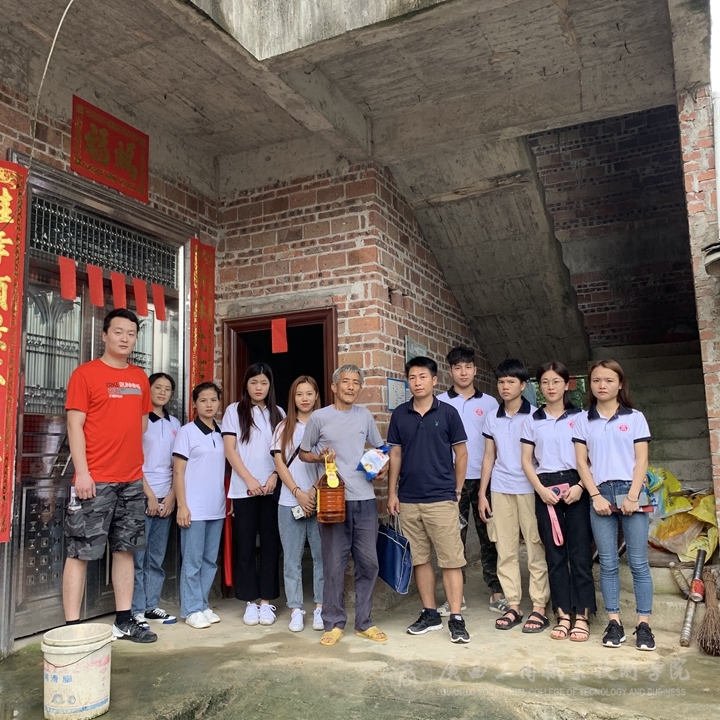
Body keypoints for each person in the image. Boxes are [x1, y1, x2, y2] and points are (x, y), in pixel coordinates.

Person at [63, 308, 156, 643]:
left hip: (130, 479)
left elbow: (141, 425)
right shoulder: (85, 374)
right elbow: (74, 425)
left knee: (125, 550)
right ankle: (72, 629)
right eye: (118, 332)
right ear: (104, 335)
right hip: (95, 479)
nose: (125, 339)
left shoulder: (139, 377)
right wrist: (82, 472)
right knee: (80, 551)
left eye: (131, 333)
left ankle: (124, 620)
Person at [299, 364, 387, 646]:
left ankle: (364, 623)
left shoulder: (364, 416)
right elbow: (303, 453)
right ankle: (334, 623)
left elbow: (380, 448)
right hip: (333, 501)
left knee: (369, 563)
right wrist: (321, 457)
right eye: (346, 382)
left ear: (360, 387)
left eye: (356, 382)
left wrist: (380, 467)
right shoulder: (319, 417)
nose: (351, 387)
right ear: (334, 387)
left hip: (365, 500)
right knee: (334, 565)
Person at [573, 359, 655, 651]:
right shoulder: (583, 420)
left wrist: (632, 496)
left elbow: (642, 460)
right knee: (607, 563)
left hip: (631, 489)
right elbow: (582, 462)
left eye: (609, 380)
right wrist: (595, 496)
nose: (602, 385)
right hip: (600, 491)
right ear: (590, 385)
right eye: (596, 380)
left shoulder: (635, 417)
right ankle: (614, 623)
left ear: (620, 384)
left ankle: (643, 625)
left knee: (638, 562)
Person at [387, 357, 470, 643]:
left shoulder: (447, 413)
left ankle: (456, 617)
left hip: (441, 498)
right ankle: (430, 612)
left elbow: (461, 453)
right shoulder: (400, 414)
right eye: (412, 377)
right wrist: (392, 493)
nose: (417, 382)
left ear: (434, 380)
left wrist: (457, 491)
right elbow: (395, 455)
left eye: (423, 377)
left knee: (450, 560)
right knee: (419, 559)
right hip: (409, 499)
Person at [520, 362, 595, 642]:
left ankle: (583, 616)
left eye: (556, 382)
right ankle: (563, 614)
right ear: (539, 386)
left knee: (580, 554)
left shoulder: (582, 417)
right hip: (546, 489)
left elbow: (591, 457)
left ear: (567, 384)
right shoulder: (532, 420)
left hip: (576, 485)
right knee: (554, 555)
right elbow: (526, 461)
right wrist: (540, 490)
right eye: (545, 382)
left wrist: (581, 487)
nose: (550, 387)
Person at [479, 359, 550, 633]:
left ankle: (539, 606)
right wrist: (483, 493)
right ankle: (513, 605)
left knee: (535, 547)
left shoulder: (536, 416)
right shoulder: (491, 417)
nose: (505, 387)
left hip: (530, 489)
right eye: (501, 382)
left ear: (523, 385)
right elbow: (489, 456)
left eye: (511, 381)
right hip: (500, 489)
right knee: (505, 550)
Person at [437, 346, 505, 616]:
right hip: (451, 481)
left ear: (475, 370)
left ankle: (497, 591)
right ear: (450, 371)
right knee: (454, 538)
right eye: (457, 367)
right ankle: (456, 596)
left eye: (468, 367)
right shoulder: (439, 402)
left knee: (490, 536)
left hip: (484, 479)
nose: (463, 372)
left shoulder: (490, 403)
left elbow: (497, 442)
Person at [222, 362, 285, 626]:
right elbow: (230, 450)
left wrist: (274, 476)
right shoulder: (234, 411)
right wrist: (248, 479)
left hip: (271, 488)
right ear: (246, 385)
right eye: (253, 382)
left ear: (270, 386)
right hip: (244, 489)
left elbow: (284, 451)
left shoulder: (278, 413)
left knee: (271, 544)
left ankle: (266, 602)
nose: (259, 387)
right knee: (245, 544)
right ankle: (249, 601)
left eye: (264, 383)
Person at [273, 376, 324, 632]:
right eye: (299, 394)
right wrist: (297, 492)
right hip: (289, 501)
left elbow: (331, 463)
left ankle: (320, 607)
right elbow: (279, 463)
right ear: (293, 398)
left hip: (320, 501)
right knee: (291, 559)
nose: (304, 398)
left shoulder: (324, 424)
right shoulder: (283, 427)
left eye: (309, 393)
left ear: (316, 396)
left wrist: (312, 492)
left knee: (321, 557)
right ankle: (295, 609)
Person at [173, 382, 226, 629]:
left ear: (219, 402)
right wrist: (182, 505)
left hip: (217, 506)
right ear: (194, 404)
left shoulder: (222, 432)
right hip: (193, 507)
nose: (209, 404)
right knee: (192, 561)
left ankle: (203, 604)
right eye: (203, 400)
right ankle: (191, 609)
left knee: (210, 560)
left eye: (213, 400)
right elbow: (178, 471)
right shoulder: (187, 432)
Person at [132, 372, 181, 627]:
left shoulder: (176, 424)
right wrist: (149, 495)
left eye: (167, 389)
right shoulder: (139, 420)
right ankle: (135, 609)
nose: (162, 392)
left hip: (167, 496)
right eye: (157, 387)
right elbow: (132, 459)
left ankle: (151, 606)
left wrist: (172, 496)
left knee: (156, 557)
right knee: (137, 557)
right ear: (147, 390)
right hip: (142, 495)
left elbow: (179, 464)